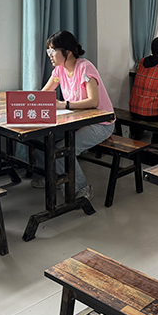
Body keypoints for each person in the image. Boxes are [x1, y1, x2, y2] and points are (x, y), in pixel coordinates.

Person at [31, 30, 115, 201]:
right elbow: (44, 93)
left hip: (101, 123)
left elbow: (93, 101)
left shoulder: (85, 67)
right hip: (78, 121)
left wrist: (64, 104)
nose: (50, 55)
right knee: (39, 137)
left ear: (67, 52)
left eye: (53, 50)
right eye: (49, 51)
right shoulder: (59, 71)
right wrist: (26, 102)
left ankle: (81, 189)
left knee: (62, 150)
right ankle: (53, 176)